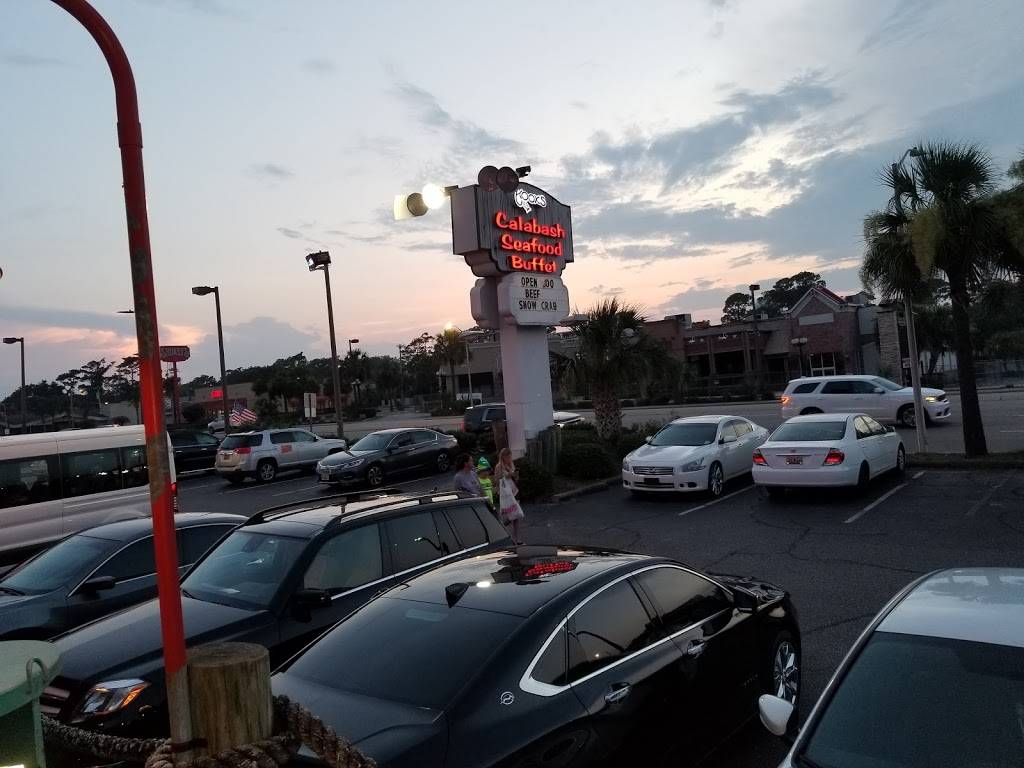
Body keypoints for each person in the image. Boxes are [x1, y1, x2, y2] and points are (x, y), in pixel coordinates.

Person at [494, 448, 525, 545]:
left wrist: (516, 476)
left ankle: (516, 538)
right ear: (503, 457)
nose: (509, 458)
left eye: (510, 456)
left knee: (516, 515)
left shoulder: (511, 464)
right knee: (510, 515)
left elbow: (515, 478)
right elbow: (496, 480)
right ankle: (506, 534)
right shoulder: (499, 467)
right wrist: (506, 476)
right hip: (506, 494)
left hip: (514, 491)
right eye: (507, 456)